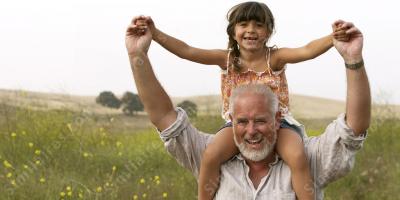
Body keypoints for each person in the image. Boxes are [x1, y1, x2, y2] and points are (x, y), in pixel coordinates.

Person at [126, 15, 370, 199]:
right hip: (231, 125)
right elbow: (187, 51)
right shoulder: (228, 59)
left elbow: (306, 50)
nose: (251, 30)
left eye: (259, 25)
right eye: (243, 24)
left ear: (269, 32)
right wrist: (154, 36)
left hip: (283, 124)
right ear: (233, 31)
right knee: (210, 154)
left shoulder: (274, 57)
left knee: (296, 155)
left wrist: (334, 39)